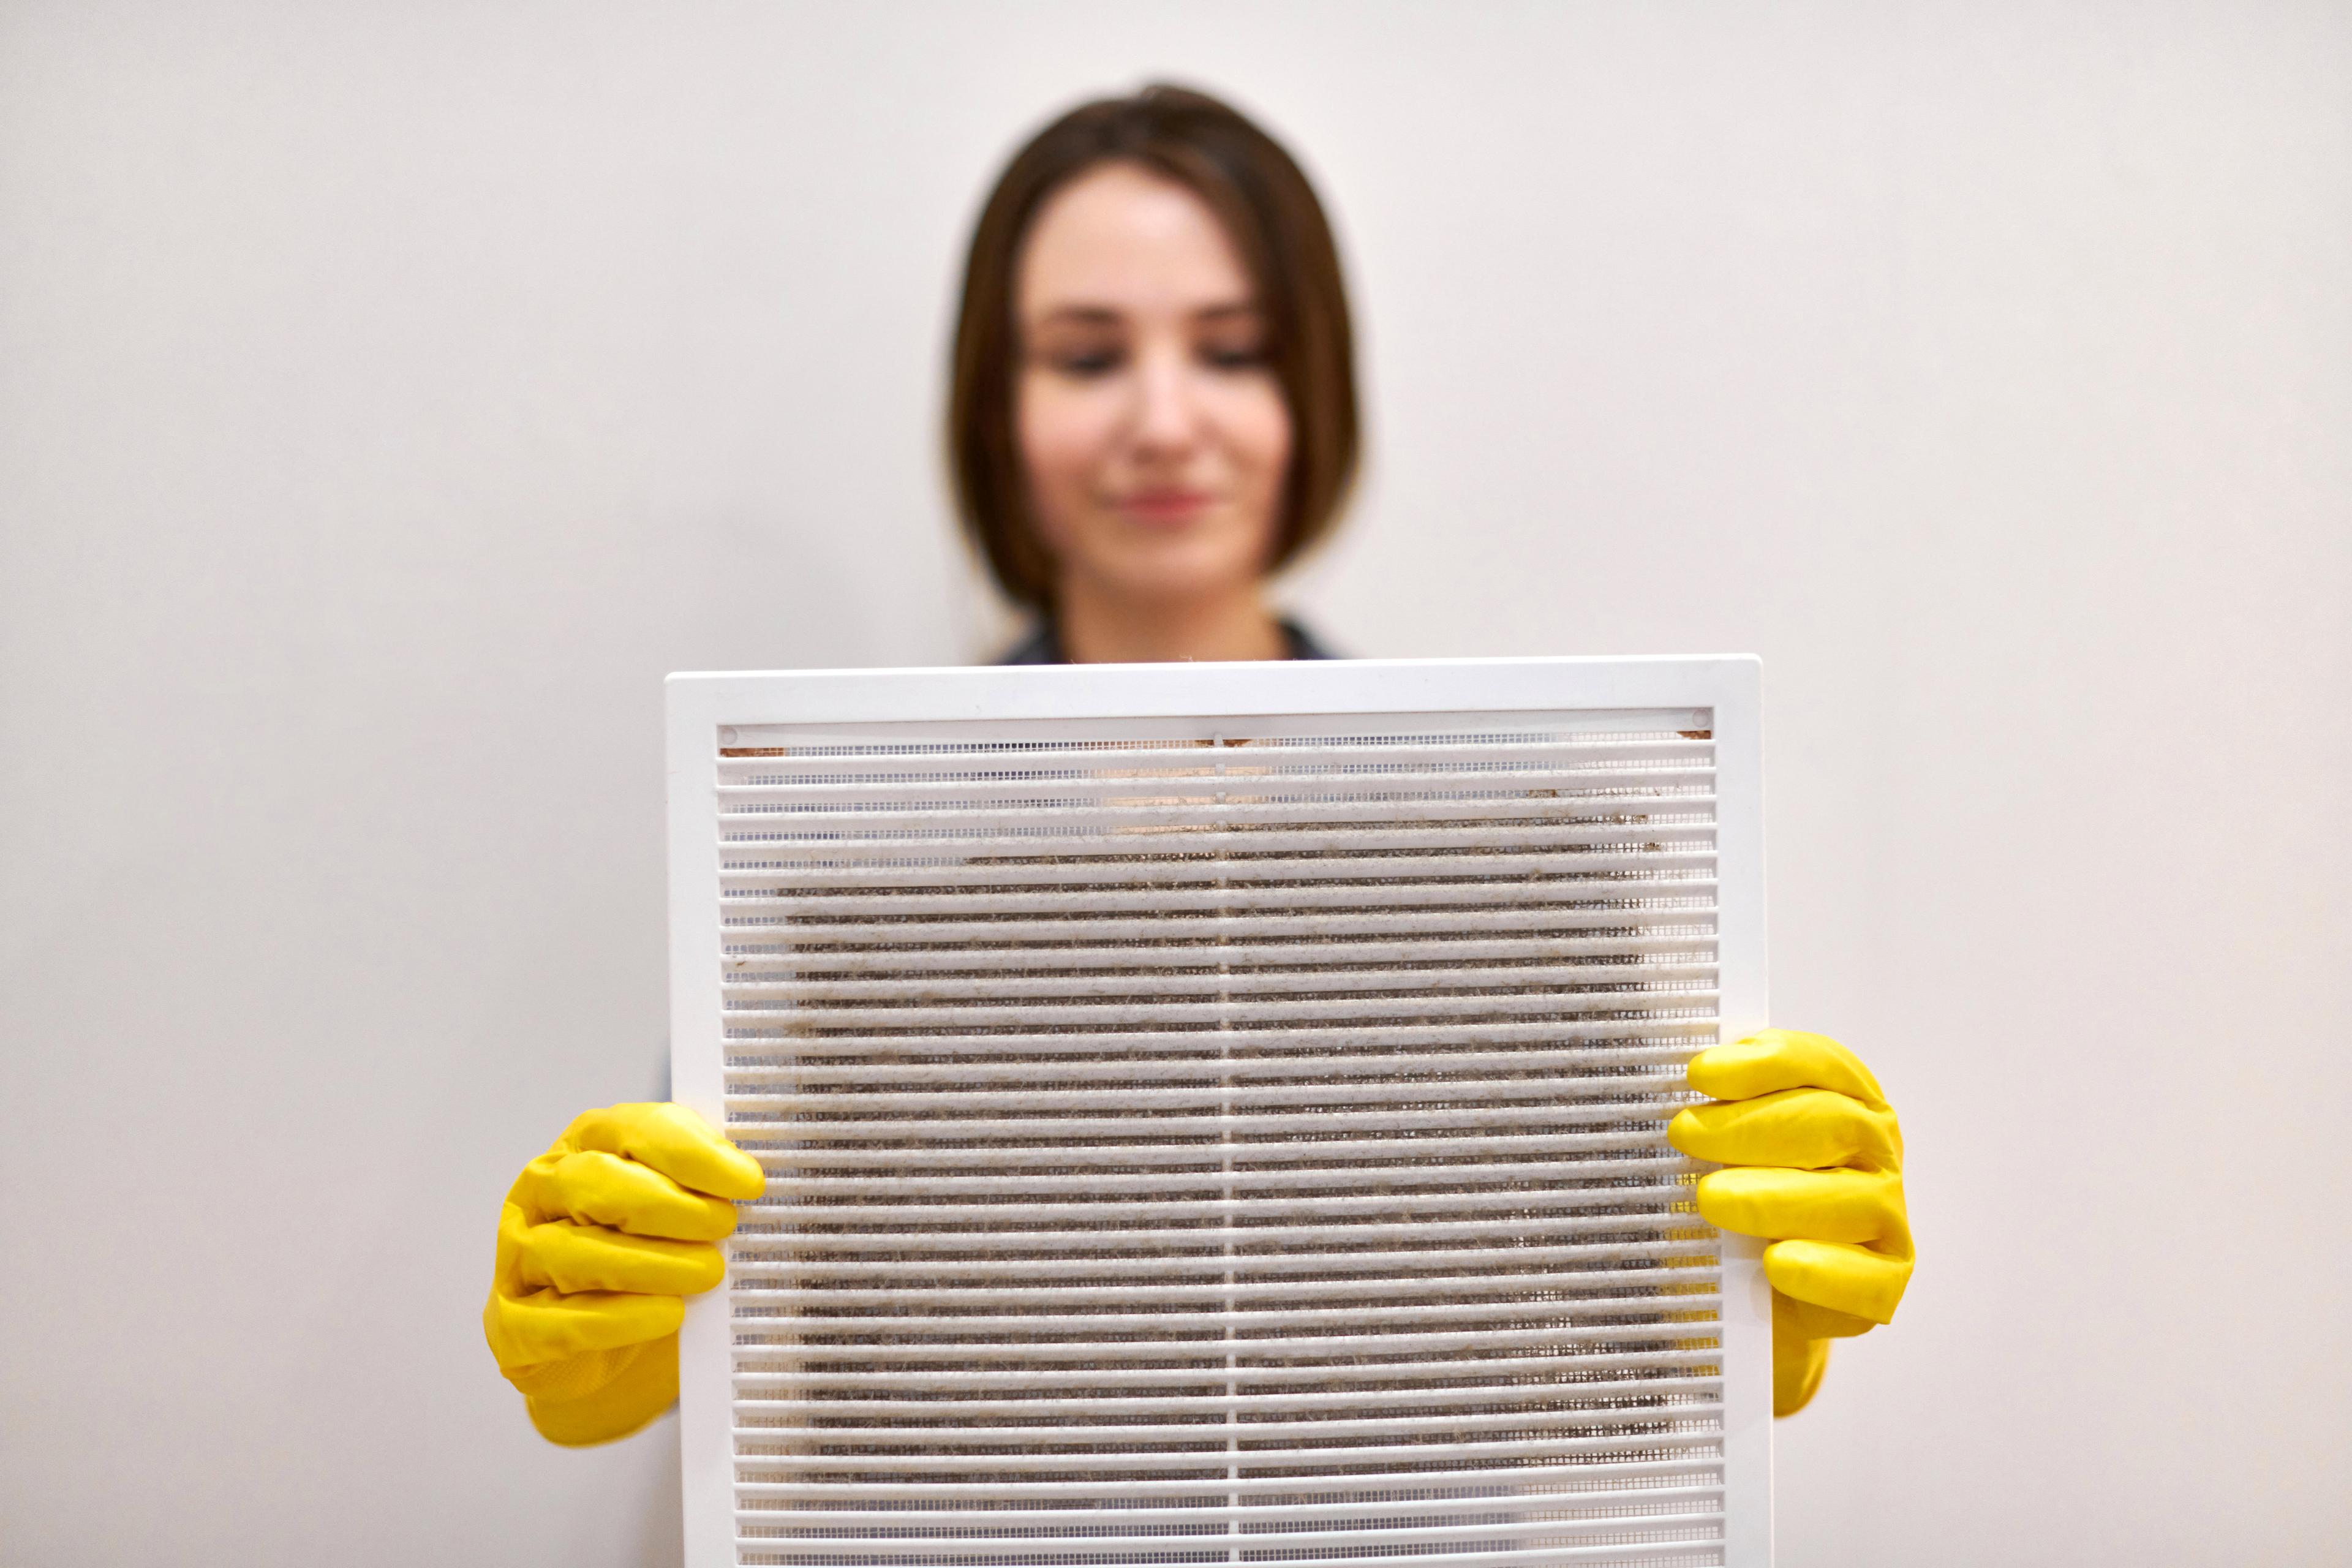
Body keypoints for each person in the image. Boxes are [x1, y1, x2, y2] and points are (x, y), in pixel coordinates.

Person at [482, 84, 1914, 1447]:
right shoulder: (846, 835)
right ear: (999, 407)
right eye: (1088, 355)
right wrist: (626, 1313)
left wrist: (1723, 1300)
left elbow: (1584, 1311)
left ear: (1316, 392)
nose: (1165, 421)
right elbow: (726, 1259)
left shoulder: (1506, 837)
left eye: (1233, 350)